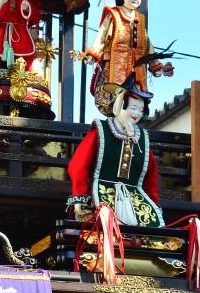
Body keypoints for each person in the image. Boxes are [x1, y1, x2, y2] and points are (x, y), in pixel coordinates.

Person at [67, 75, 162, 228]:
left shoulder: (142, 138)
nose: (136, 114)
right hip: (99, 197)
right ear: (119, 105)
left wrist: (153, 202)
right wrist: (80, 197)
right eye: (132, 108)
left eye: (140, 110)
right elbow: (78, 165)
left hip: (136, 201)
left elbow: (151, 176)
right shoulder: (101, 131)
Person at [81, 0, 172, 115]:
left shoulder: (140, 19)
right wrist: (93, 53)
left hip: (136, 68)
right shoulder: (114, 15)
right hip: (115, 64)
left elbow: (147, 44)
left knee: (135, 99)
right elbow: (102, 35)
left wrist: (156, 65)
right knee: (113, 96)